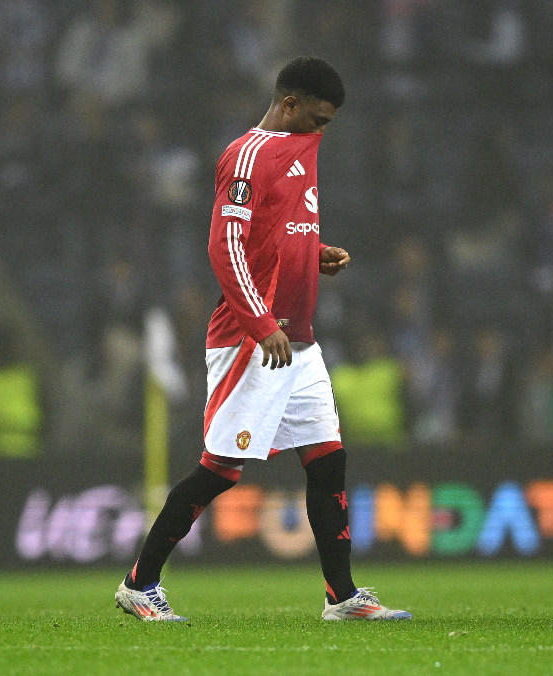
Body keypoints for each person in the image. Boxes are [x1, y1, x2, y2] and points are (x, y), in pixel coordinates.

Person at [114, 57, 411, 623]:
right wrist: (260, 321)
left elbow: (276, 234)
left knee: (328, 460)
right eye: (318, 119)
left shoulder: (303, 149)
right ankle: (140, 582)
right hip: (252, 339)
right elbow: (224, 247)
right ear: (290, 103)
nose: (323, 130)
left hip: (297, 341)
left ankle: (342, 597)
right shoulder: (246, 155)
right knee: (219, 470)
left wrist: (311, 256)